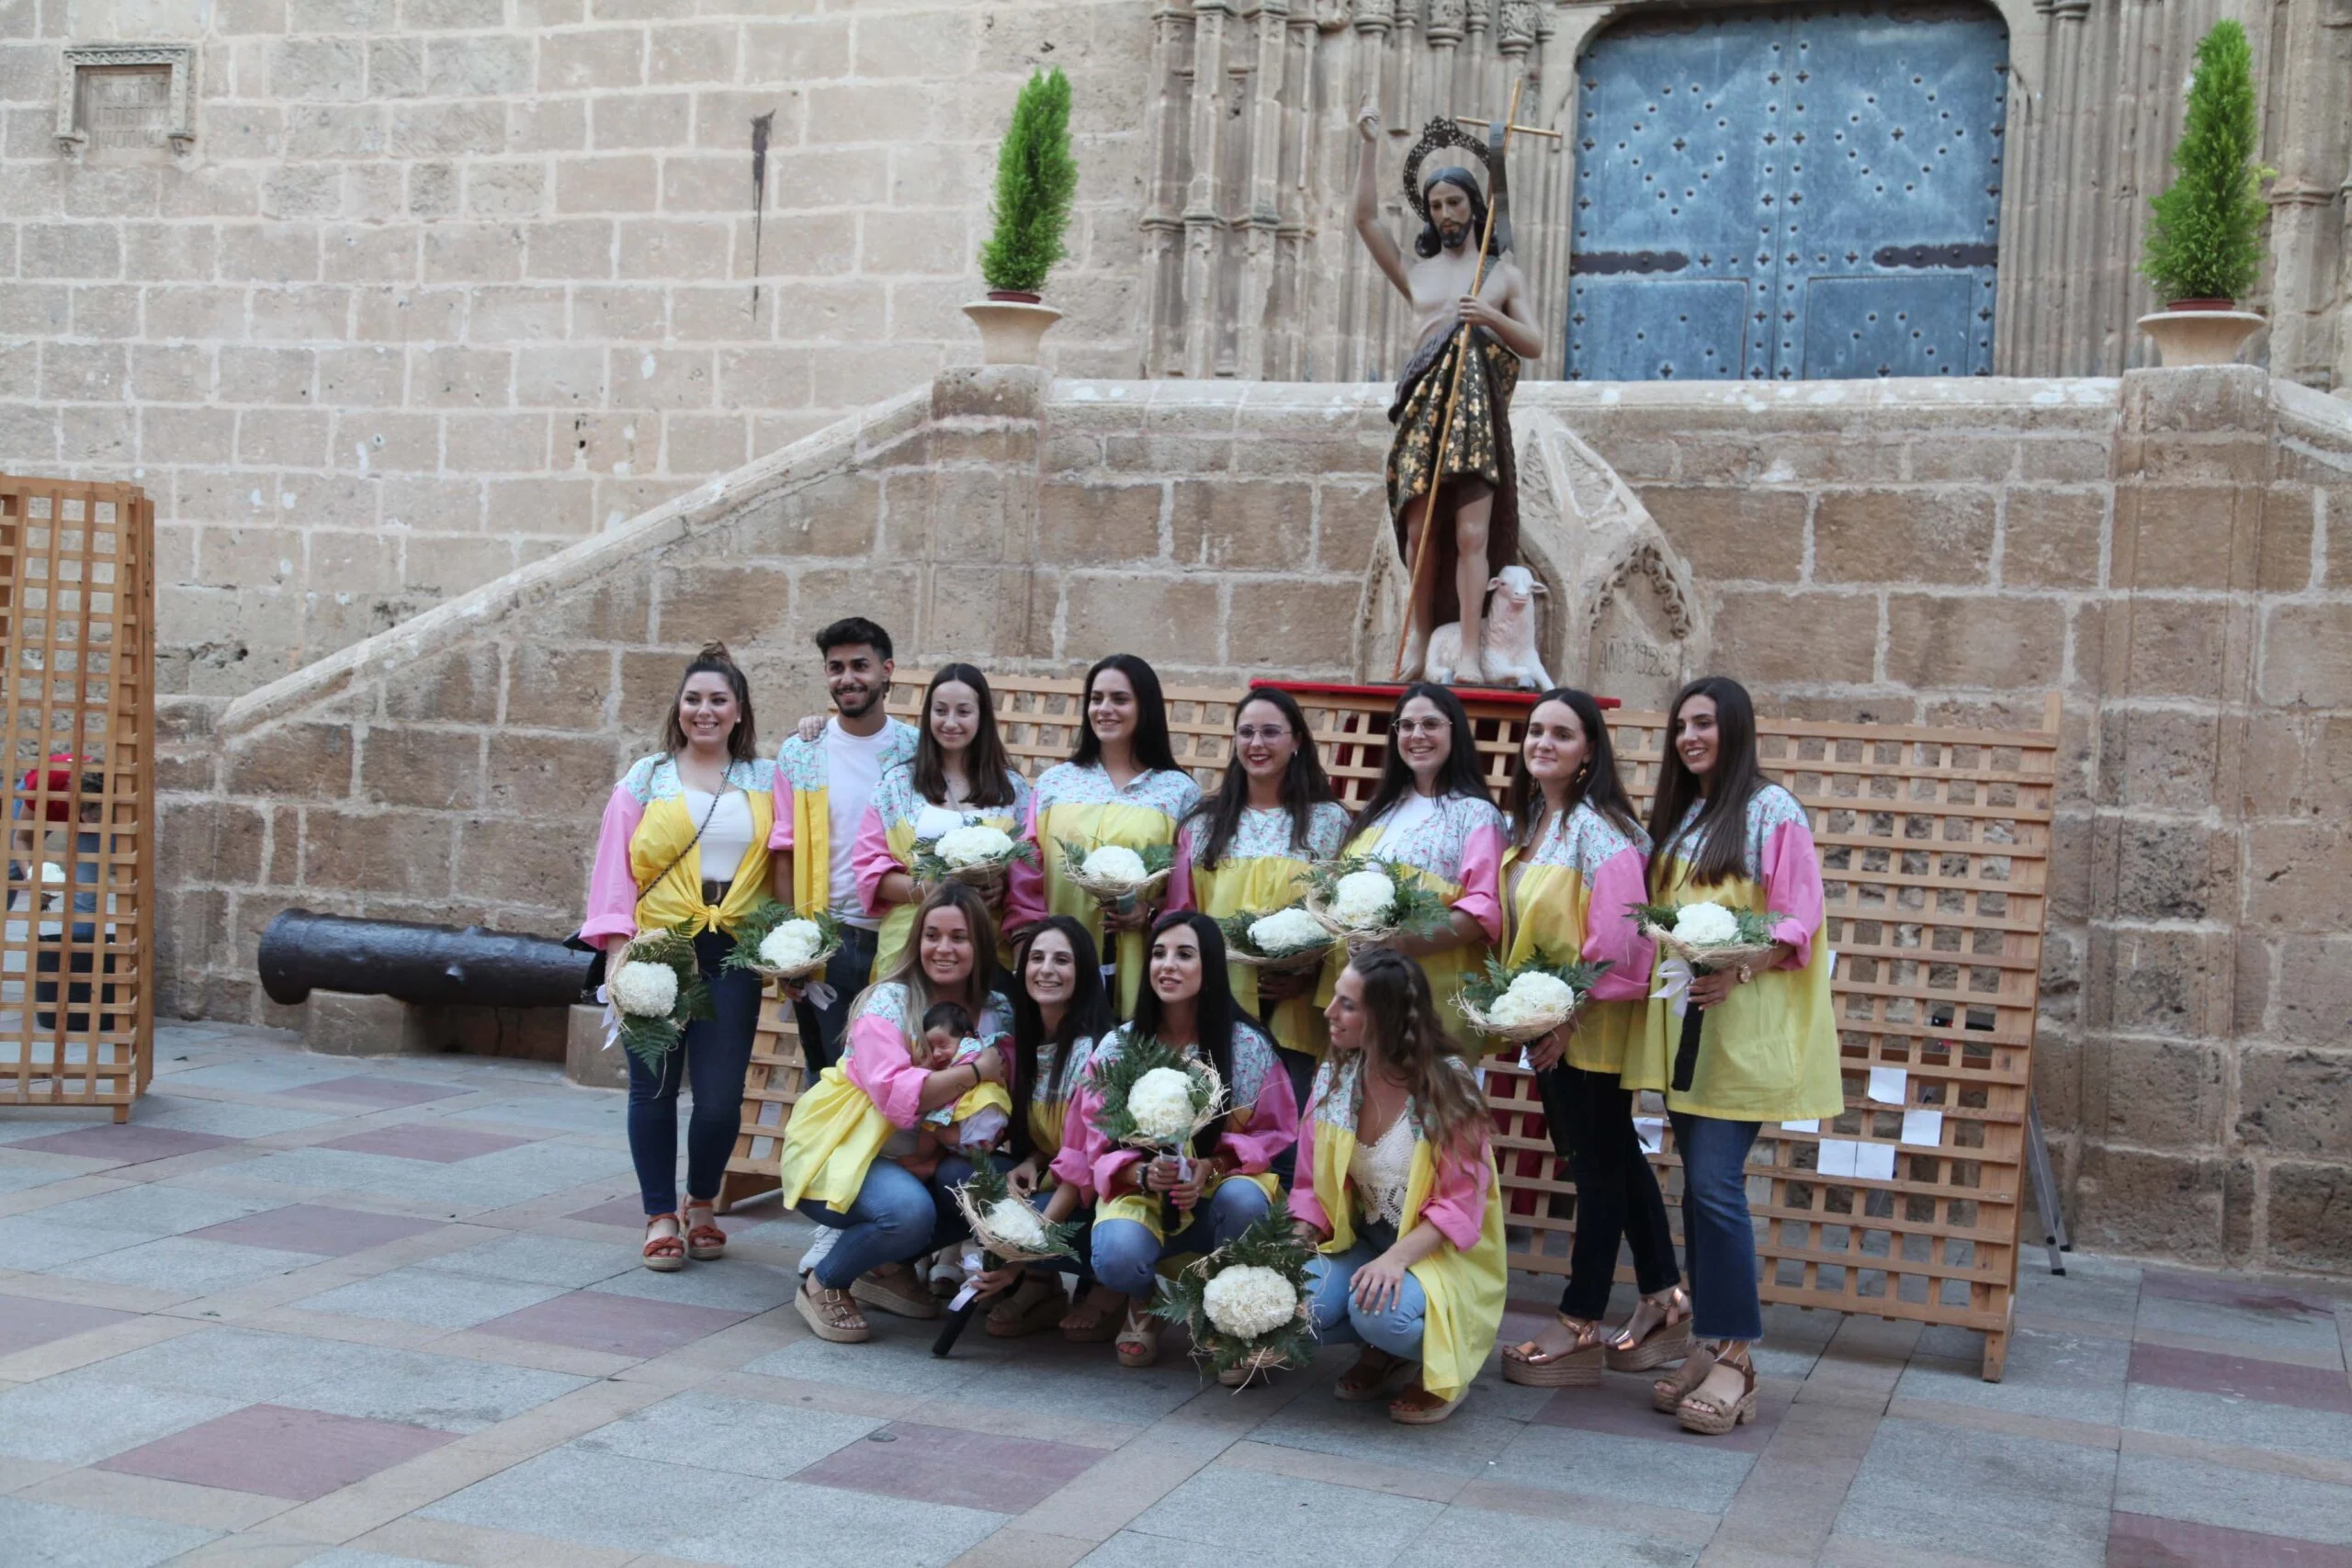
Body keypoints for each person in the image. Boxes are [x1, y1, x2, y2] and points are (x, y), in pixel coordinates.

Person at [1626, 676, 1841, 1435]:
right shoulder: (1684, 816)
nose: (1690, 736)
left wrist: (1738, 963)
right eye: (1682, 724)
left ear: (1736, 727)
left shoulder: (1770, 808)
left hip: (1742, 1024)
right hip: (1688, 1029)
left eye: (1706, 723)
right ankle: (1710, 1340)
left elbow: (1797, 916)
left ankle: (1737, 1357)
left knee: (1716, 1184)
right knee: (1696, 1188)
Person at [1491, 689, 1688, 1387]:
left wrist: (1567, 1016)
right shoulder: (1539, 821)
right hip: (1551, 1023)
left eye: (1561, 733)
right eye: (1536, 730)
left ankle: (1580, 1320)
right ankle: (1665, 1295)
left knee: (1595, 1170)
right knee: (1611, 1158)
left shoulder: (1599, 831)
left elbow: (1625, 944)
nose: (1542, 742)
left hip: (1588, 1028)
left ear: (1588, 753)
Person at [581, 643, 786, 1272]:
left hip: (732, 952)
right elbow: (614, 868)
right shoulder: (646, 778)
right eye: (693, 698)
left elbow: (785, 857)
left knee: (722, 1096)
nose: (704, 710)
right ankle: (658, 1214)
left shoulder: (764, 775)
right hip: (659, 945)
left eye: (718, 699)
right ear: (679, 707)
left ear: (738, 709)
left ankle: (701, 1199)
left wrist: (786, 944)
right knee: (655, 1088)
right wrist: (619, 952)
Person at [1352, 102, 1544, 682]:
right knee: (1419, 530)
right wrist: (1368, 146)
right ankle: (1416, 640)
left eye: (1455, 203)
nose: (1445, 214)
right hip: (1423, 407)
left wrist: (1490, 315)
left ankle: (1466, 650)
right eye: (1436, 206)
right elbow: (1365, 221)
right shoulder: (1417, 271)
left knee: (1470, 533)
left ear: (1474, 205)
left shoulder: (1502, 274)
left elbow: (1533, 343)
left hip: (1477, 411)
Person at [776, 883, 1014, 1343]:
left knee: (990, 1183)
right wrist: (974, 1072)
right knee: (907, 1213)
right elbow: (894, 1093)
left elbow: (1004, 1084)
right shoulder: (888, 1001)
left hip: (931, 1151)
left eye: (958, 937)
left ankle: (884, 1266)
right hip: (848, 1150)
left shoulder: (997, 1009)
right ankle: (824, 1281)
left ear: (980, 945)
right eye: (932, 935)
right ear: (916, 940)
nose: (943, 948)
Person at [1291, 948, 1507, 1426]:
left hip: (1439, 1254)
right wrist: (1290, 1248)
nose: (1329, 1012)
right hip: (1362, 1240)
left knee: (1380, 1314)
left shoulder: (1448, 1086)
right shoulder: (1335, 1076)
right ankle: (1384, 1353)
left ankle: (1441, 1370)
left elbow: (1460, 1205)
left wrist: (1395, 1259)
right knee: (1295, 1299)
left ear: (1384, 1017)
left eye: (1347, 1004)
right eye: (1335, 999)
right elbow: (1310, 1185)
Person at [1078, 911, 1297, 1375]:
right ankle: (1145, 1299)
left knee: (1244, 1200)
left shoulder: (1246, 1046)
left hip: (1218, 1193)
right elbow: (1090, 1141)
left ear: (1211, 967)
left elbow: (1276, 1132)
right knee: (1116, 1256)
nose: (1167, 966)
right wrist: (1139, 1172)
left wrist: (1212, 1167)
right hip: (1141, 1195)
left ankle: (1227, 1313)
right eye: (1158, 954)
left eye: (1184, 954)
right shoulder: (1118, 1048)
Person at [1168, 687, 1351, 1116]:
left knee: (1285, 1137)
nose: (1257, 743)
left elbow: (1345, 921)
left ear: (1297, 741)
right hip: (1214, 1006)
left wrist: (1308, 980)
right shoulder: (1203, 823)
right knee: (1210, 1127)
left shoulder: (1330, 822)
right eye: (1246, 732)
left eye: (1271, 732)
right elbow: (1183, 914)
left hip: (1293, 1011)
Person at [1006, 654, 1201, 1019]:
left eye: (1120, 699)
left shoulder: (1177, 791)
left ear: (1146, 708)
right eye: (1096, 699)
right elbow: (1027, 869)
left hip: (1136, 960)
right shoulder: (1055, 784)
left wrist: (1150, 913)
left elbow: (1184, 888)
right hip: (1056, 964)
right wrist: (1026, 942)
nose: (1105, 709)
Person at [1316, 683, 1504, 1057]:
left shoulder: (1476, 815)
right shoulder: (1382, 810)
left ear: (1456, 732)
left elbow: (1483, 912)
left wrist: (1398, 943)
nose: (1417, 735)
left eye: (1431, 724)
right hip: (1359, 995)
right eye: (1406, 725)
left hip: (1431, 996)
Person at [967, 916, 1122, 1340]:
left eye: (1062, 960)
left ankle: (1111, 1289)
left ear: (1085, 972)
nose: (1046, 970)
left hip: (1103, 1190)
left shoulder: (1100, 1048)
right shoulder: (1028, 1042)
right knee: (969, 1184)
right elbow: (1052, 1137)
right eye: (1036, 958)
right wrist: (1033, 1160)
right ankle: (1042, 1285)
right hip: (1055, 1177)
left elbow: (1088, 1159)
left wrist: (1022, 1250)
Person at [775, 618, 917, 1074]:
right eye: (836, 667)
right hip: (825, 940)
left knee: (896, 1074)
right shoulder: (800, 752)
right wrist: (787, 946)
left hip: (901, 937)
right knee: (827, 1079)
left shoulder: (917, 751)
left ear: (887, 670)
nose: (847, 678)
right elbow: (784, 850)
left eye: (861, 665)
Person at [852, 663, 1032, 979]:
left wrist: (1000, 888)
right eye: (940, 710)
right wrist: (939, 889)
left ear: (982, 717)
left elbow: (1027, 871)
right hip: (910, 942)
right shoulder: (897, 784)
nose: (950, 722)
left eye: (963, 712)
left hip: (985, 943)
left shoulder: (1012, 788)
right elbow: (869, 872)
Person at [898, 1001, 1012, 1181]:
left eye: (943, 1045)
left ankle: (921, 1157)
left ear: (966, 1037)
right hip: (987, 1133)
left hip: (973, 1132)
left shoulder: (970, 1050)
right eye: (931, 1047)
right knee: (943, 1119)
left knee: (931, 1127)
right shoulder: (983, 1050)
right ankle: (931, 1164)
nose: (935, 1054)